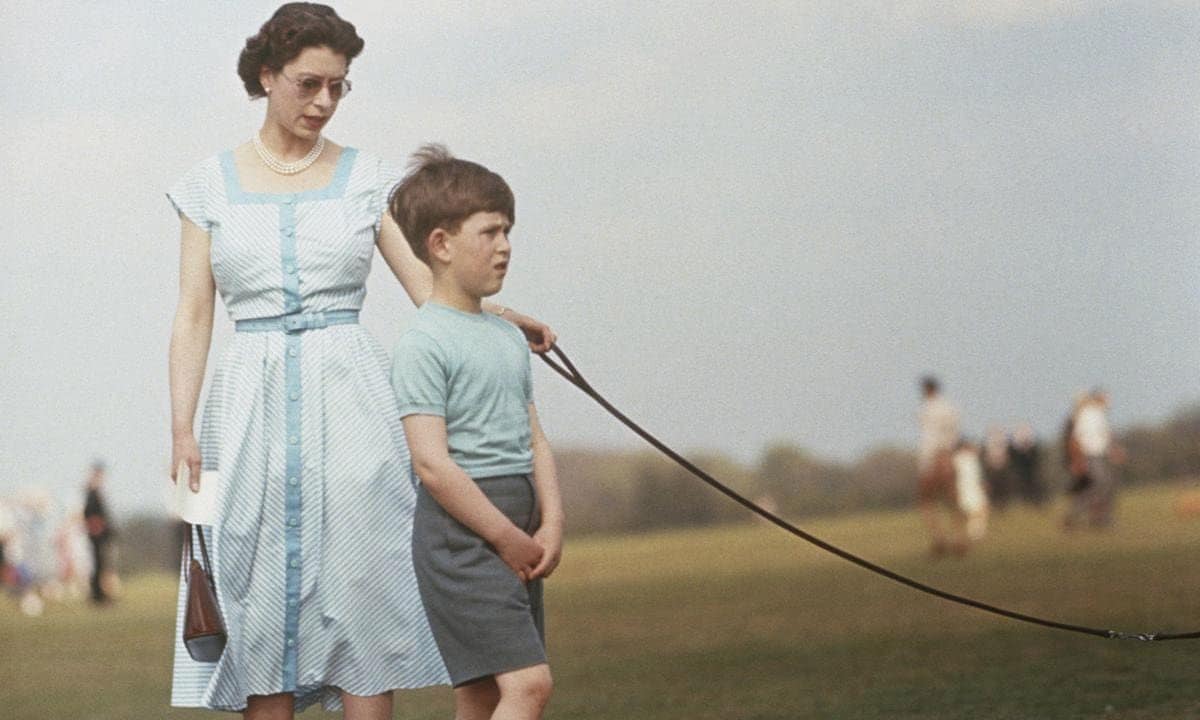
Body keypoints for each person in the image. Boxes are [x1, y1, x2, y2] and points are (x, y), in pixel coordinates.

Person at [165, 5, 555, 717]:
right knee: (256, 596)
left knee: (363, 586)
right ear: (266, 76)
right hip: (248, 405)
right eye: (309, 83)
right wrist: (182, 427)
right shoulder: (206, 187)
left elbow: (427, 289)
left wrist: (504, 316)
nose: (323, 102)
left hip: (352, 401)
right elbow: (195, 313)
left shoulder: (368, 180)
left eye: (338, 87)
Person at [389, 146, 563, 720]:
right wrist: (505, 536)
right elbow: (432, 465)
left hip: (518, 521)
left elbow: (534, 439)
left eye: (508, 230)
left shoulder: (506, 337)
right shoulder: (423, 343)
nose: (505, 245)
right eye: (489, 232)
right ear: (440, 244)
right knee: (529, 685)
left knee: (484, 693)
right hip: (460, 536)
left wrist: (551, 522)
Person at [916, 376, 965, 557]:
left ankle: (939, 538)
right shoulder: (949, 407)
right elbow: (954, 432)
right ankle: (959, 538)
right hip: (947, 454)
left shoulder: (926, 409)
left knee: (926, 501)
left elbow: (927, 436)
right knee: (954, 501)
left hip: (930, 456)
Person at [1070, 389, 1121, 528]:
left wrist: (1113, 450)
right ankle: (1079, 513)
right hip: (1091, 455)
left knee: (1105, 485)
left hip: (1101, 454)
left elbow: (1105, 435)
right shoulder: (1087, 414)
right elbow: (1076, 438)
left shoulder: (1100, 414)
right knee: (1101, 484)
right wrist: (1078, 460)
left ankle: (1100, 517)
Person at [82, 460, 114, 604]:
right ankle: (97, 595)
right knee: (97, 564)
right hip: (96, 533)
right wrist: (96, 527)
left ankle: (100, 593)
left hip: (101, 533)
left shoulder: (96, 491)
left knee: (101, 564)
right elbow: (88, 513)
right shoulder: (91, 492)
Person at [952, 437, 989, 542]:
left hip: (974, 487)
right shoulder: (958, 459)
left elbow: (978, 474)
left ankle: (976, 532)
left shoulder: (972, 458)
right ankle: (972, 533)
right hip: (964, 488)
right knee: (973, 512)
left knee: (981, 510)